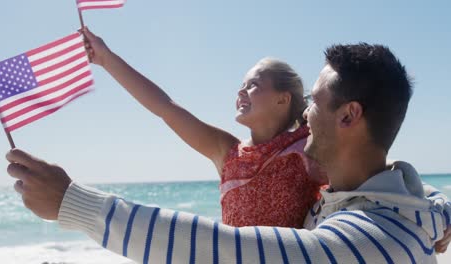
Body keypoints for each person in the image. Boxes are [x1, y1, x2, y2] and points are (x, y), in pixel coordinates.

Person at [7, 43, 451, 263]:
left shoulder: (309, 161)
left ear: (348, 116)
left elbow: (232, 248)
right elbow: (167, 108)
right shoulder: (409, 209)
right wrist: (440, 204)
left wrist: (74, 204)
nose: (241, 91)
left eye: (314, 102)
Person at [79, 27, 327, 228]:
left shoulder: (307, 146)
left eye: (254, 84)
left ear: (282, 99)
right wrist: (106, 58)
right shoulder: (227, 152)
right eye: (241, 84)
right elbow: (166, 108)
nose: (241, 90)